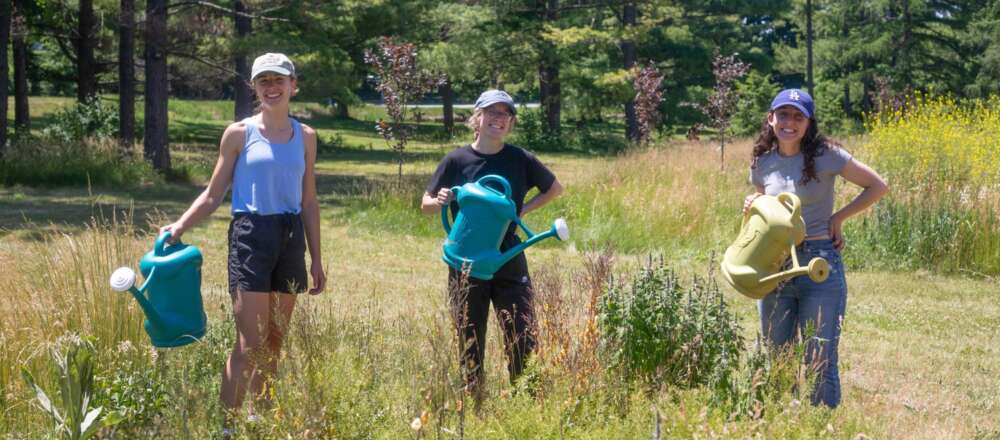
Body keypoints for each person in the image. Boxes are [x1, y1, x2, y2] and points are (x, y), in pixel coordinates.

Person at [159, 53, 327, 431]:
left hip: (290, 238)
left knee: (275, 341)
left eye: (278, 80)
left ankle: (262, 418)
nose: (272, 87)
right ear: (254, 87)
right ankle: (227, 426)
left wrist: (316, 259)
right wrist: (179, 228)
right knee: (250, 342)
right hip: (251, 236)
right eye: (263, 81)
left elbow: (309, 201)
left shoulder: (307, 137)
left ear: (293, 86)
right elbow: (213, 194)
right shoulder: (239, 133)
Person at [744, 89, 888, 408]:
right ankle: (784, 423)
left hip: (818, 264)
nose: (789, 123)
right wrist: (752, 205)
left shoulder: (827, 155)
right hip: (774, 265)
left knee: (819, 356)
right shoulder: (762, 162)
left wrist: (839, 217)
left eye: (798, 116)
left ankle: (821, 425)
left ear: (809, 123)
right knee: (777, 355)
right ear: (771, 119)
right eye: (783, 114)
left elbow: (877, 185)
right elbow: (765, 216)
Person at [421, 90, 563, 400]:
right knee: (469, 331)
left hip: (507, 253)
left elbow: (554, 188)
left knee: (521, 331)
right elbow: (426, 203)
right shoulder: (457, 160)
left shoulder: (519, 158)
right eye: (491, 112)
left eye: (504, 114)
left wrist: (522, 210)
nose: (497, 119)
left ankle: (526, 397)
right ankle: (475, 399)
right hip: (466, 256)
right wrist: (440, 200)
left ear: (510, 122)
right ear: (477, 118)